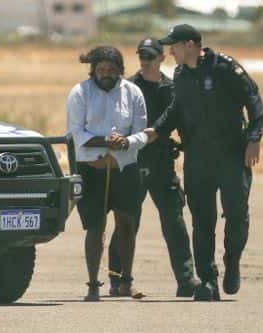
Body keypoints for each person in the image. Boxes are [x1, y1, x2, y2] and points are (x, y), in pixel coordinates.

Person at [145, 24, 263, 301]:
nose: (169, 51)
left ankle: (232, 260)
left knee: (236, 213)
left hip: (232, 154)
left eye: (173, 45)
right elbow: (177, 109)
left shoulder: (224, 67)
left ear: (189, 44)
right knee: (202, 221)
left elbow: (254, 101)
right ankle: (208, 281)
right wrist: (157, 130)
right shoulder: (180, 74)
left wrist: (254, 138)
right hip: (198, 156)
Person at [107, 38, 200, 297]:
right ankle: (117, 279)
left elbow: (182, 119)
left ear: (161, 57)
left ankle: (185, 279)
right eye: (141, 55)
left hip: (161, 162)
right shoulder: (127, 88)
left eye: (150, 55)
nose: (145, 60)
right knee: (127, 222)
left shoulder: (172, 88)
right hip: (133, 161)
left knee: (174, 220)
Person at [66, 46, 149, 301]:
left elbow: (142, 133)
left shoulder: (133, 92)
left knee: (126, 224)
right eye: (101, 70)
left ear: (120, 71)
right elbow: (77, 134)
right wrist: (105, 141)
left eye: (112, 70)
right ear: (93, 70)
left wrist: (125, 142)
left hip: (124, 170)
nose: (106, 74)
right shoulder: (80, 92)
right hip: (92, 172)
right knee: (95, 227)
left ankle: (126, 282)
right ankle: (93, 285)